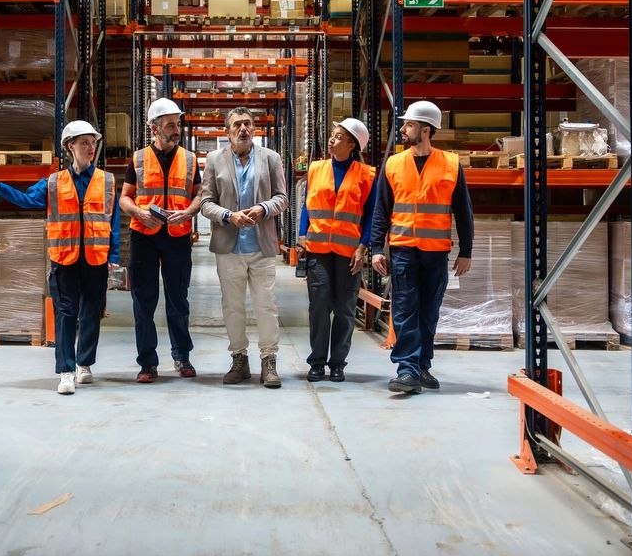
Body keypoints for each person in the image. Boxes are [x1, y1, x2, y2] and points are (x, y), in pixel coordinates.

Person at [0, 120, 119, 396]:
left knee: (90, 314)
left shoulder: (106, 181)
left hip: (96, 259)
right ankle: (66, 371)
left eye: (93, 142)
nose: (90, 148)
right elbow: (27, 200)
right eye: (84, 142)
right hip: (64, 259)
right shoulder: (53, 183)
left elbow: (113, 221)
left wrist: (115, 254)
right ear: (69, 147)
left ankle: (85, 364)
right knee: (65, 314)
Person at [371, 100, 473, 396]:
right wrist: (377, 248)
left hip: (436, 252)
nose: (403, 129)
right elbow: (382, 210)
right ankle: (407, 369)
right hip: (403, 250)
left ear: (426, 130)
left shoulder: (451, 164)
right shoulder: (393, 164)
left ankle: (421, 365)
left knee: (429, 313)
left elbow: (463, 212)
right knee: (405, 309)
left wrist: (466, 251)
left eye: (409, 125)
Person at [201, 107, 288, 389]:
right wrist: (228, 216)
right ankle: (239, 359)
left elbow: (282, 198)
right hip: (229, 247)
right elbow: (205, 202)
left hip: (261, 246)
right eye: (237, 124)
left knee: (266, 306)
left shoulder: (271, 158)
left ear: (255, 129)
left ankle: (269, 361)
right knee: (233, 307)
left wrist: (264, 209)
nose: (243, 129)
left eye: (248, 124)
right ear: (227, 131)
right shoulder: (214, 160)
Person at [119, 97, 202, 383]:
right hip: (144, 237)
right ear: (154, 128)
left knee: (178, 300)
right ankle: (147, 363)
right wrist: (141, 214)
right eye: (170, 124)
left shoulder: (189, 159)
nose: (176, 129)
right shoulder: (139, 159)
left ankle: (181, 356)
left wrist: (188, 212)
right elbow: (124, 198)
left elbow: (200, 195)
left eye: (177, 124)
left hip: (177, 237)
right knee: (144, 301)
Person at [297, 118, 377, 383]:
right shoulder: (317, 168)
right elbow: (308, 205)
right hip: (318, 248)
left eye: (339, 137)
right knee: (318, 306)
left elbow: (371, 216)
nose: (332, 140)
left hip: (349, 252)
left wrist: (363, 247)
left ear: (352, 144)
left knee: (344, 309)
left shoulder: (367, 175)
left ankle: (338, 363)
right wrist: (300, 235)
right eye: (332, 135)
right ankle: (317, 362)